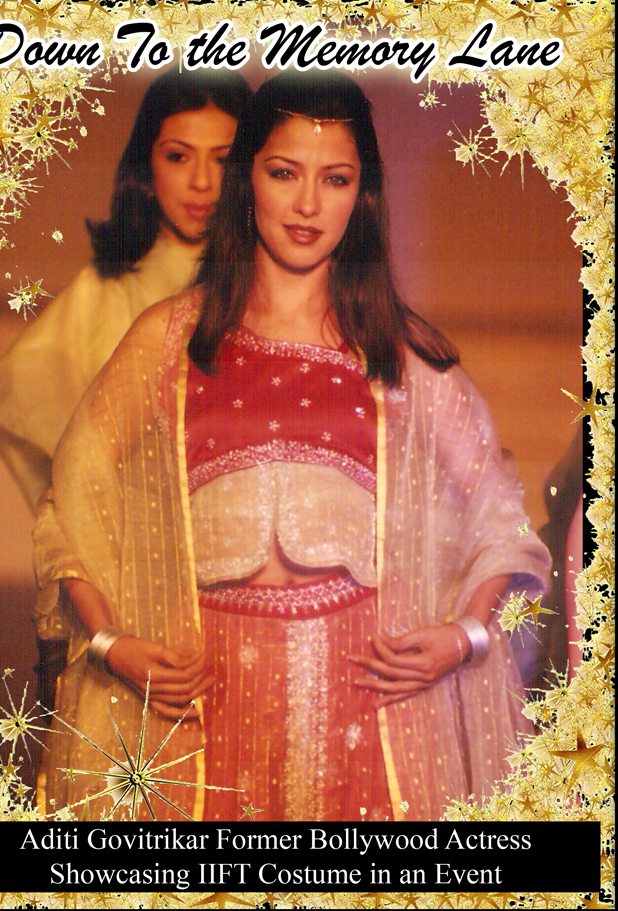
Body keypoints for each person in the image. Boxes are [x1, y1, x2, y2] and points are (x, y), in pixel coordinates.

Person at [34, 72, 550, 822]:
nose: (309, 204)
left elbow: (498, 517)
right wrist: (112, 643)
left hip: (365, 709)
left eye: (335, 179)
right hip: (197, 710)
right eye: (284, 173)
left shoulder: (397, 352)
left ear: (361, 195)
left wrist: (465, 635)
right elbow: (72, 498)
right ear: (248, 181)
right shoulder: (171, 339)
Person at [0, 70, 252, 708]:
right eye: (179, 156)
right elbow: (57, 479)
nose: (203, 183)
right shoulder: (99, 301)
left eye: (224, 159)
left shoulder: (270, 290)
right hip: (126, 599)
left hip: (253, 596)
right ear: (145, 166)